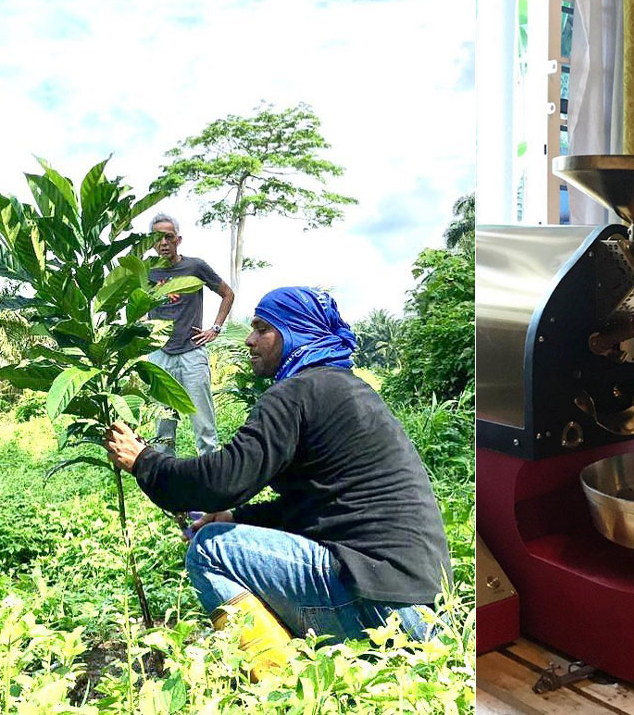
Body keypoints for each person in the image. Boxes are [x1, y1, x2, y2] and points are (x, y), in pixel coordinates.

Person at [105, 286, 451, 680]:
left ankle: (283, 686)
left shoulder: (296, 392)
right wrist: (236, 515)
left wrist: (145, 461)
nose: (250, 340)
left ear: (295, 333)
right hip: (429, 619)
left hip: (378, 609)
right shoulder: (348, 390)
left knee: (209, 550)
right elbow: (320, 508)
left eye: (263, 328)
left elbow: (222, 479)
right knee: (226, 532)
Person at [148, 214, 234, 456]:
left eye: (169, 237)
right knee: (163, 426)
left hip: (192, 354)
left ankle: (210, 474)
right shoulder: (146, 272)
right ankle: (165, 479)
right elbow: (136, 304)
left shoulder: (195, 267)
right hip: (159, 356)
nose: (163, 243)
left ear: (179, 239)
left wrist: (214, 328)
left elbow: (227, 293)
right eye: (157, 238)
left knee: (203, 422)